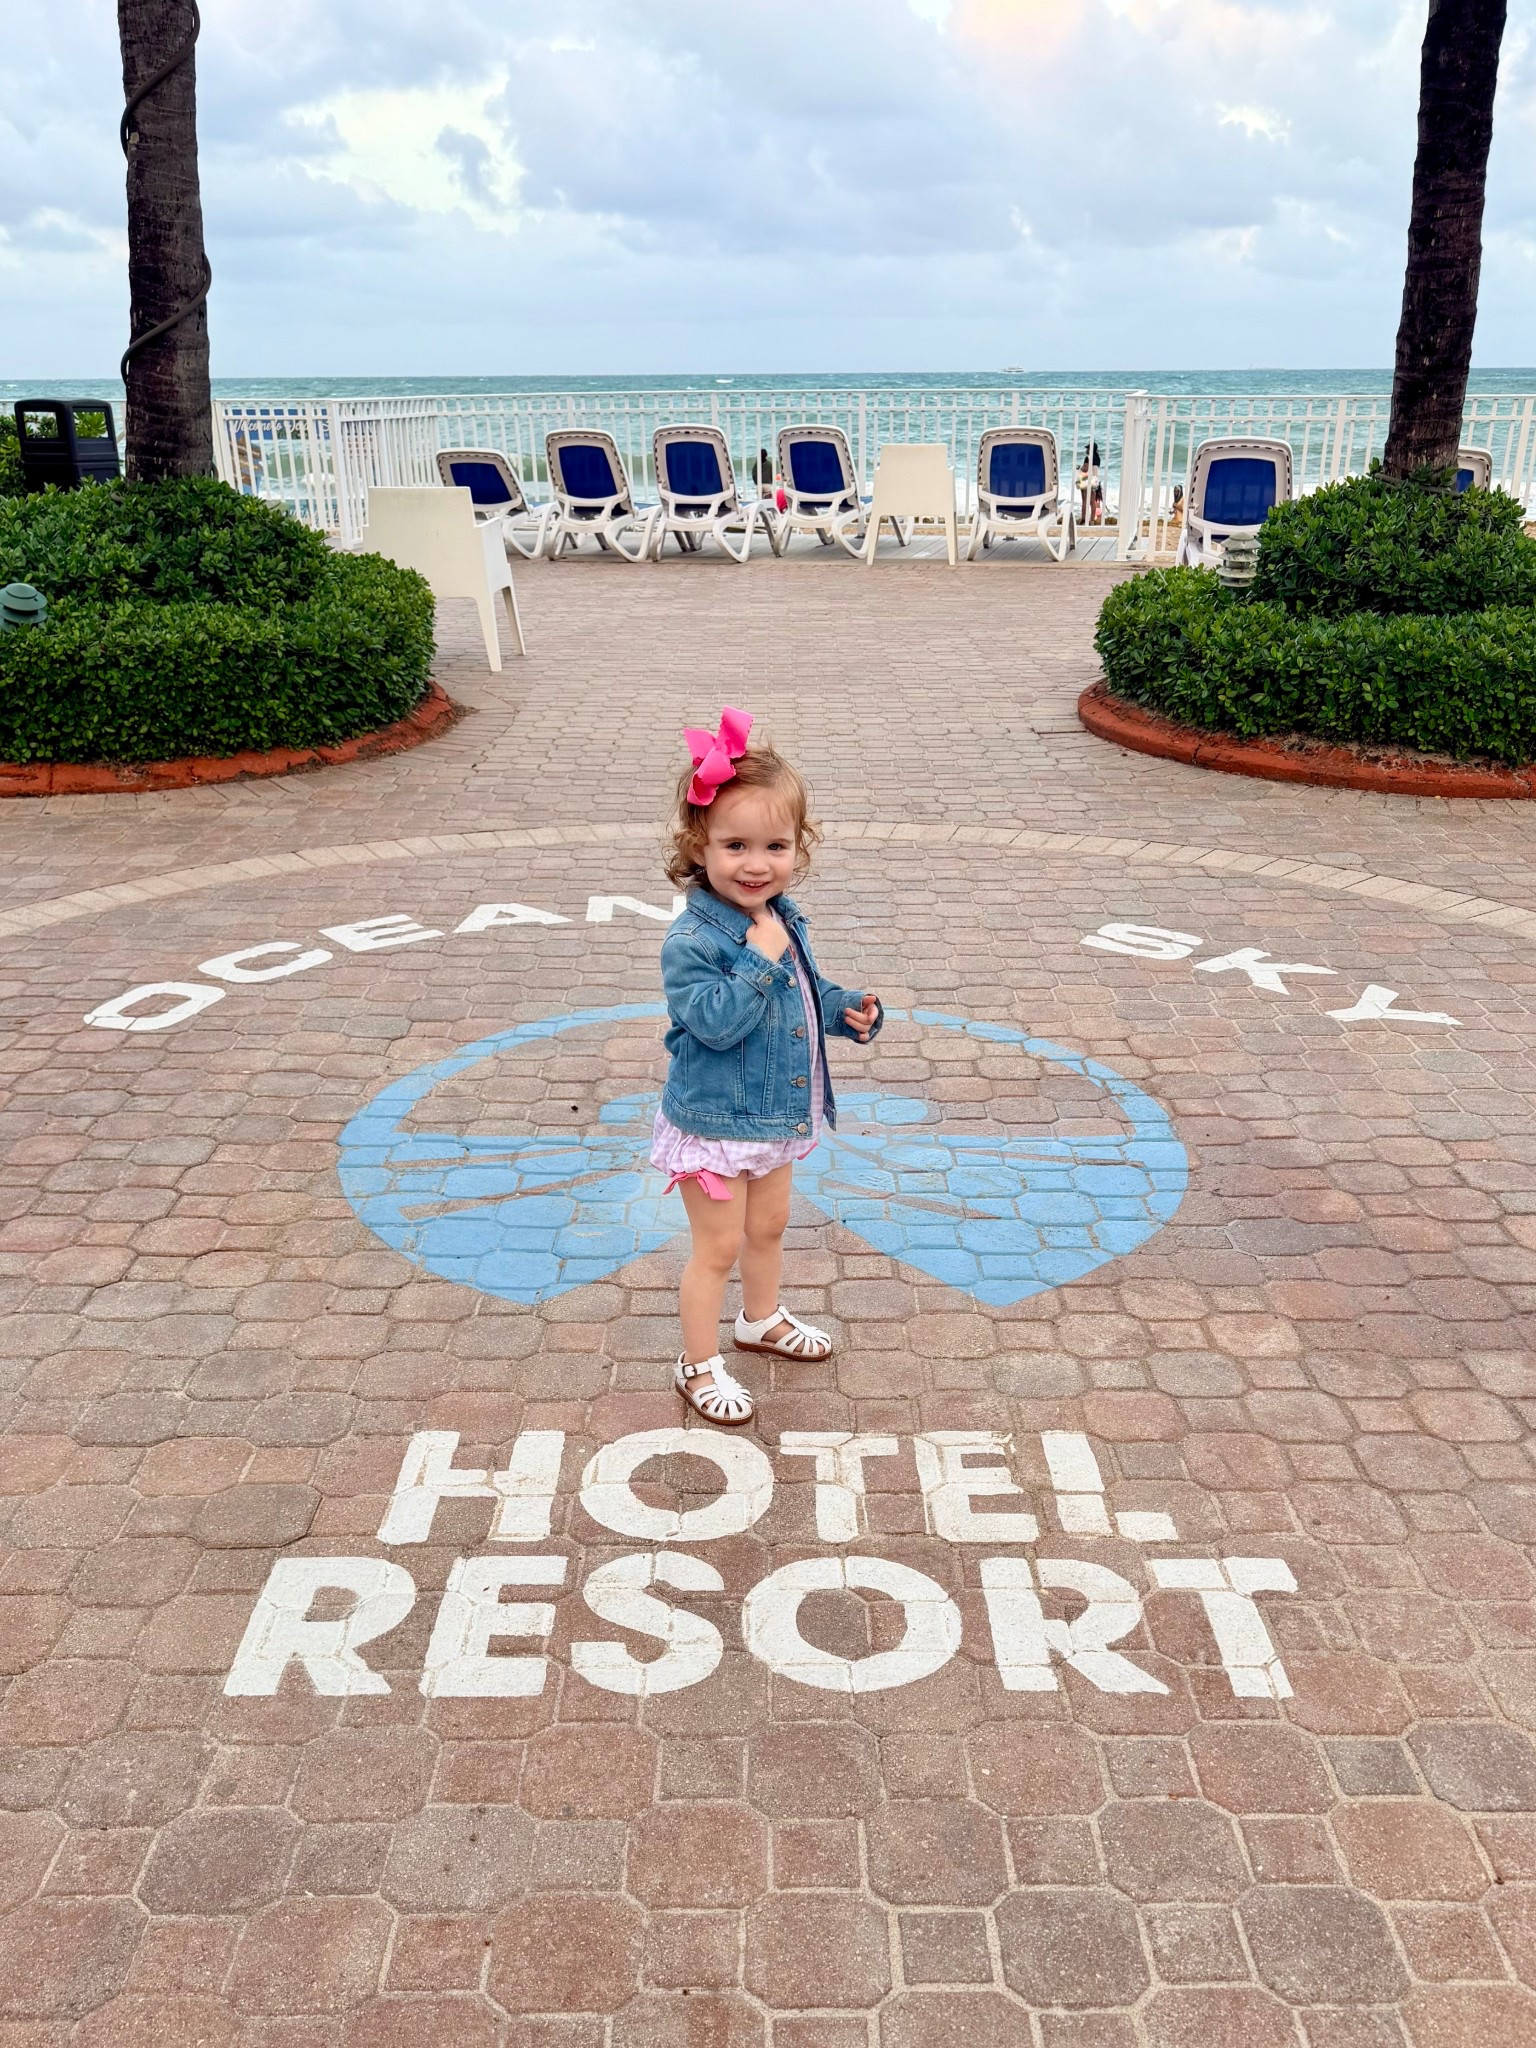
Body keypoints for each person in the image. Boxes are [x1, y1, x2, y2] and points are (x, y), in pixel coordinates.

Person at [654, 707, 882, 1426]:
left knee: (771, 1225)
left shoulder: (781, 917)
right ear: (700, 845)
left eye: (776, 845)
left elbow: (802, 997)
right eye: (736, 846)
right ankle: (697, 1364)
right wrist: (759, 957)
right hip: (715, 1122)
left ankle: (760, 1321)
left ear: (798, 848)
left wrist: (848, 1010)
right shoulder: (694, 940)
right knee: (716, 1246)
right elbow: (716, 1024)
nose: (757, 864)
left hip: (777, 1114)